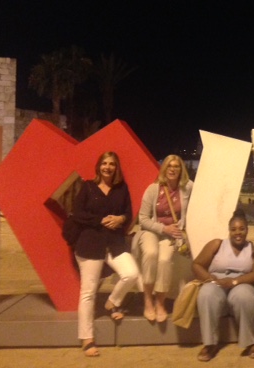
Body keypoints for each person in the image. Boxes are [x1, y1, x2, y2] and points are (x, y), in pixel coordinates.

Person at [71, 151, 139, 357]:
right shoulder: (88, 187)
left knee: (131, 273)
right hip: (90, 244)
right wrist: (98, 221)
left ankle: (113, 302)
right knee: (88, 292)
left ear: (116, 168)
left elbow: (128, 213)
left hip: (114, 243)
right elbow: (77, 213)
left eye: (112, 164)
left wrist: (120, 220)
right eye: (104, 163)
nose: (108, 167)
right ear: (98, 166)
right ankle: (87, 338)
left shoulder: (121, 188)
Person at [192, 208, 254, 362]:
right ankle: (210, 343)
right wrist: (210, 278)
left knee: (244, 296)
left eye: (241, 229)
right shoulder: (217, 244)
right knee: (206, 294)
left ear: (247, 230)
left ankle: (250, 342)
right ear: (229, 231)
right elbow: (197, 264)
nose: (238, 232)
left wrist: (234, 282)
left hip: (242, 283)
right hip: (217, 283)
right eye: (233, 229)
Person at [132, 155, 194, 322]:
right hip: (151, 231)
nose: (173, 169)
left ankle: (160, 302)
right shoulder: (153, 189)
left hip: (173, 235)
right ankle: (147, 301)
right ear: (164, 169)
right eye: (169, 166)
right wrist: (163, 228)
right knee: (151, 253)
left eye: (176, 166)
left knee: (165, 260)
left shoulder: (187, 188)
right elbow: (143, 219)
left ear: (181, 169)